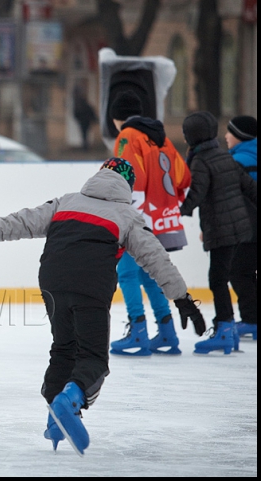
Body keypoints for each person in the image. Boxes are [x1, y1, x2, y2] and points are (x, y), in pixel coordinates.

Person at [0, 158, 206, 455]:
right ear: (127, 186)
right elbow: (155, 258)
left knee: (63, 348)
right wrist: (181, 298)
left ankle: (53, 413)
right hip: (91, 285)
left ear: (98, 175)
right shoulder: (127, 215)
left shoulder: (66, 202)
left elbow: (22, 221)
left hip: (53, 280)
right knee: (93, 358)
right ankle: (70, 399)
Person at [108, 90, 192, 356]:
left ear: (115, 118)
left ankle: (138, 331)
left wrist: (125, 212)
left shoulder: (127, 136)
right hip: (162, 216)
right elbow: (183, 177)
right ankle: (167, 332)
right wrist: (168, 204)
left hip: (137, 215)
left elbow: (126, 175)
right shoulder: (162, 138)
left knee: (127, 272)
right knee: (148, 272)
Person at [180, 112, 257, 355]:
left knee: (218, 279)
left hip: (221, 230)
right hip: (240, 227)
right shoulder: (225, 157)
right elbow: (250, 187)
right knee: (223, 276)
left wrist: (177, 210)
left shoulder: (200, 161)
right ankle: (229, 329)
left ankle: (225, 330)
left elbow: (197, 192)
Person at [224, 115, 257, 340]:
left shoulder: (238, 161)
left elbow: (229, 198)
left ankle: (251, 320)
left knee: (239, 272)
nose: (226, 136)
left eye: (230, 132)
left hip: (247, 226)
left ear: (240, 136)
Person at [73, 86, 97, 151]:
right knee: (85, 134)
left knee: (84, 134)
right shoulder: (81, 103)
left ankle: (85, 146)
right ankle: (85, 146)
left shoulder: (79, 103)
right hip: (85, 120)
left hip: (84, 120)